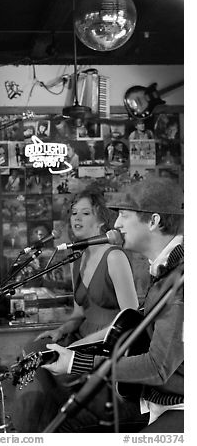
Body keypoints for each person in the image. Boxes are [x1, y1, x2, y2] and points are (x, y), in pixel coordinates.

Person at [42, 177, 184, 433]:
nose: (116, 224)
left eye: (124, 216)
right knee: (58, 409)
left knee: (64, 424)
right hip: (149, 397)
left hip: (175, 405)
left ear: (153, 221)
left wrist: (77, 361)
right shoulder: (165, 270)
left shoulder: (181, 279)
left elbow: (157, 368)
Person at [11, 186, 140, 432]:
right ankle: (38, 426)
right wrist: (60, 331)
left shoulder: (114, 257)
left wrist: (75, 347)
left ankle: (55, 422)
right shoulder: (77, 258)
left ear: (102, 218)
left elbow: (131, 322)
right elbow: (79, 314)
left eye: (85, 213)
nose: (76, 218)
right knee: (33, 351)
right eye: (73, 213)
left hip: (107, 345)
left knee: (44, 366)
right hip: (81, 337)